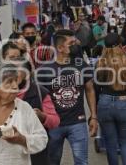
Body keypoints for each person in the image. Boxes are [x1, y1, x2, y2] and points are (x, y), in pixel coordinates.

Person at [36, 29, 98, 165]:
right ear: (60, 48)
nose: (76, 45)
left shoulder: (81, 65)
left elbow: (90, 90)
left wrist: (93, 116)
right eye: (71, 43)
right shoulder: (44, 70)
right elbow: (38, 98)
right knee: (52, 161)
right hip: (54, 125)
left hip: (78, 122)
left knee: (82, 162)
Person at [95, 33, 126, 165]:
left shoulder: (100, 63)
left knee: (111, 144)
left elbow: (96, 88)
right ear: (120, 45)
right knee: (125, 143)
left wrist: (94, 111)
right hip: (123, 103)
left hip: (104, 103)